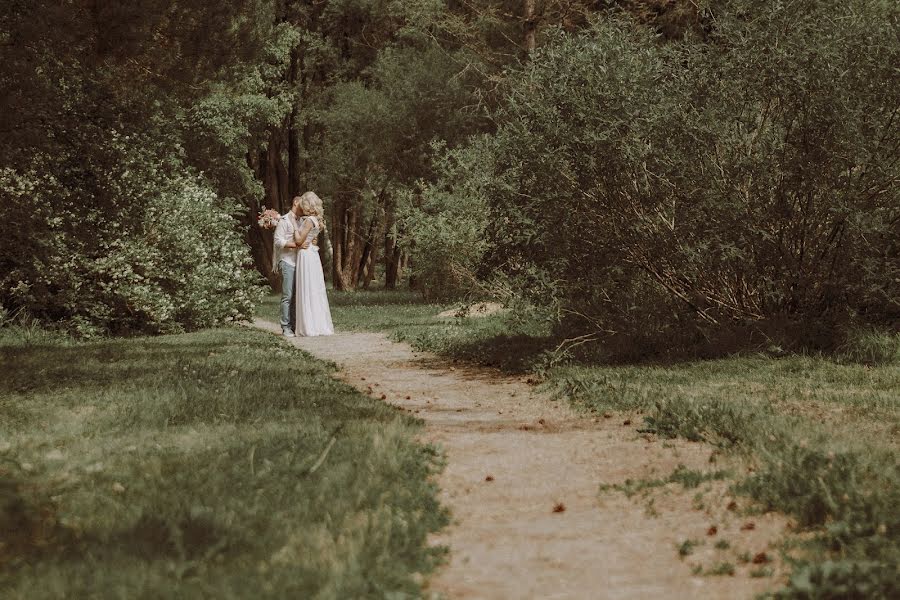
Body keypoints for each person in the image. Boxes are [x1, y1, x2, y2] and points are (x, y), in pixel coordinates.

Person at [290, 192, 334, 336]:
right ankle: (318, 323)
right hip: (313, 254)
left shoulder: (308, 220)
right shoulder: (317, 220)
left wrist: (294, 226)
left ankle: (309, 326)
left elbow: (298, 241)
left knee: (307, 287)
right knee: (314, 288)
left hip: (306, 254)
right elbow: (312, 237)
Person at [272, 196, 310, 337]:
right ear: (295, 202)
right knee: (287, 295)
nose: (305, 207)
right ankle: (286, 326)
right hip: (287, 261)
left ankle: (295, 325)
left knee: (297, 296)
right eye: (302, 204)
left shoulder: (303, 221)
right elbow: (278, 241)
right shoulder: (284, 220)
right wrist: (296, 245)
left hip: (300, 262)